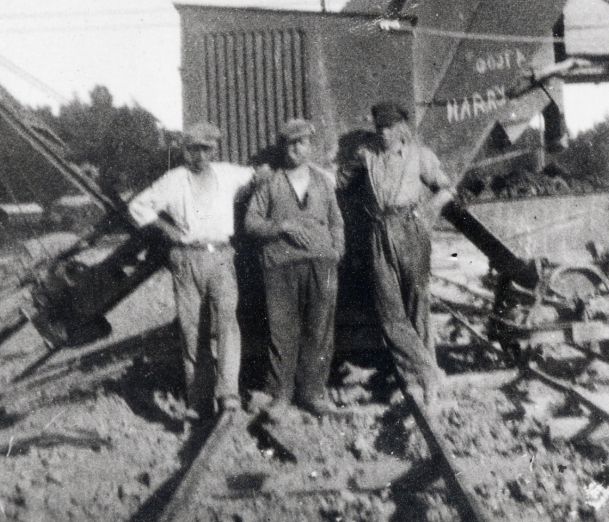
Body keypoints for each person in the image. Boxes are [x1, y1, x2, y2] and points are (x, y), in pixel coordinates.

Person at [128, 121, 255, 426]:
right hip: (186, 259)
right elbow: (138, 207)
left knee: (227, 324)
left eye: (205, 149)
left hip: (221, 256)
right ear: (185, 150)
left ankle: (228, 393)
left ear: (214, 150)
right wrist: (166, 228)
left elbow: (256, 176)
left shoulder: (228, 173)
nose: (199, 155)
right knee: (191, 330)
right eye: (193, 149)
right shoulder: (174, 180)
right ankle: (198, 400)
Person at [337, 101, 455, 406]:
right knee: (389, 311)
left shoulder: (420, 156)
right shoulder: (367, 156)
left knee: (418, 301)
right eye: (380, 128)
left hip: (410, 229)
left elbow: (446, 189)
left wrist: (427, 212)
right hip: (378, 231)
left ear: (402, 127)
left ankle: (423, 376)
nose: (385, 133)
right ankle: (423, 373)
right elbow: (339, 183)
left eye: (390, 127)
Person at [245, 119, 345, 420]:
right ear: (283, 147)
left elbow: (336, 220)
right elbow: (251, 223)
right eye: (290, 143)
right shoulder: (271, 183)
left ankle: (313, 394)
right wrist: (282, 226)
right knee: (282, 332)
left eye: (302, 142)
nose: (296, 149)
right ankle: (280, 395)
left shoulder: (323, 182)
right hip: (280, 264)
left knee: (319, 330)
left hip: (321, 263)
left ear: (310, 146)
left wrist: (336, 250)